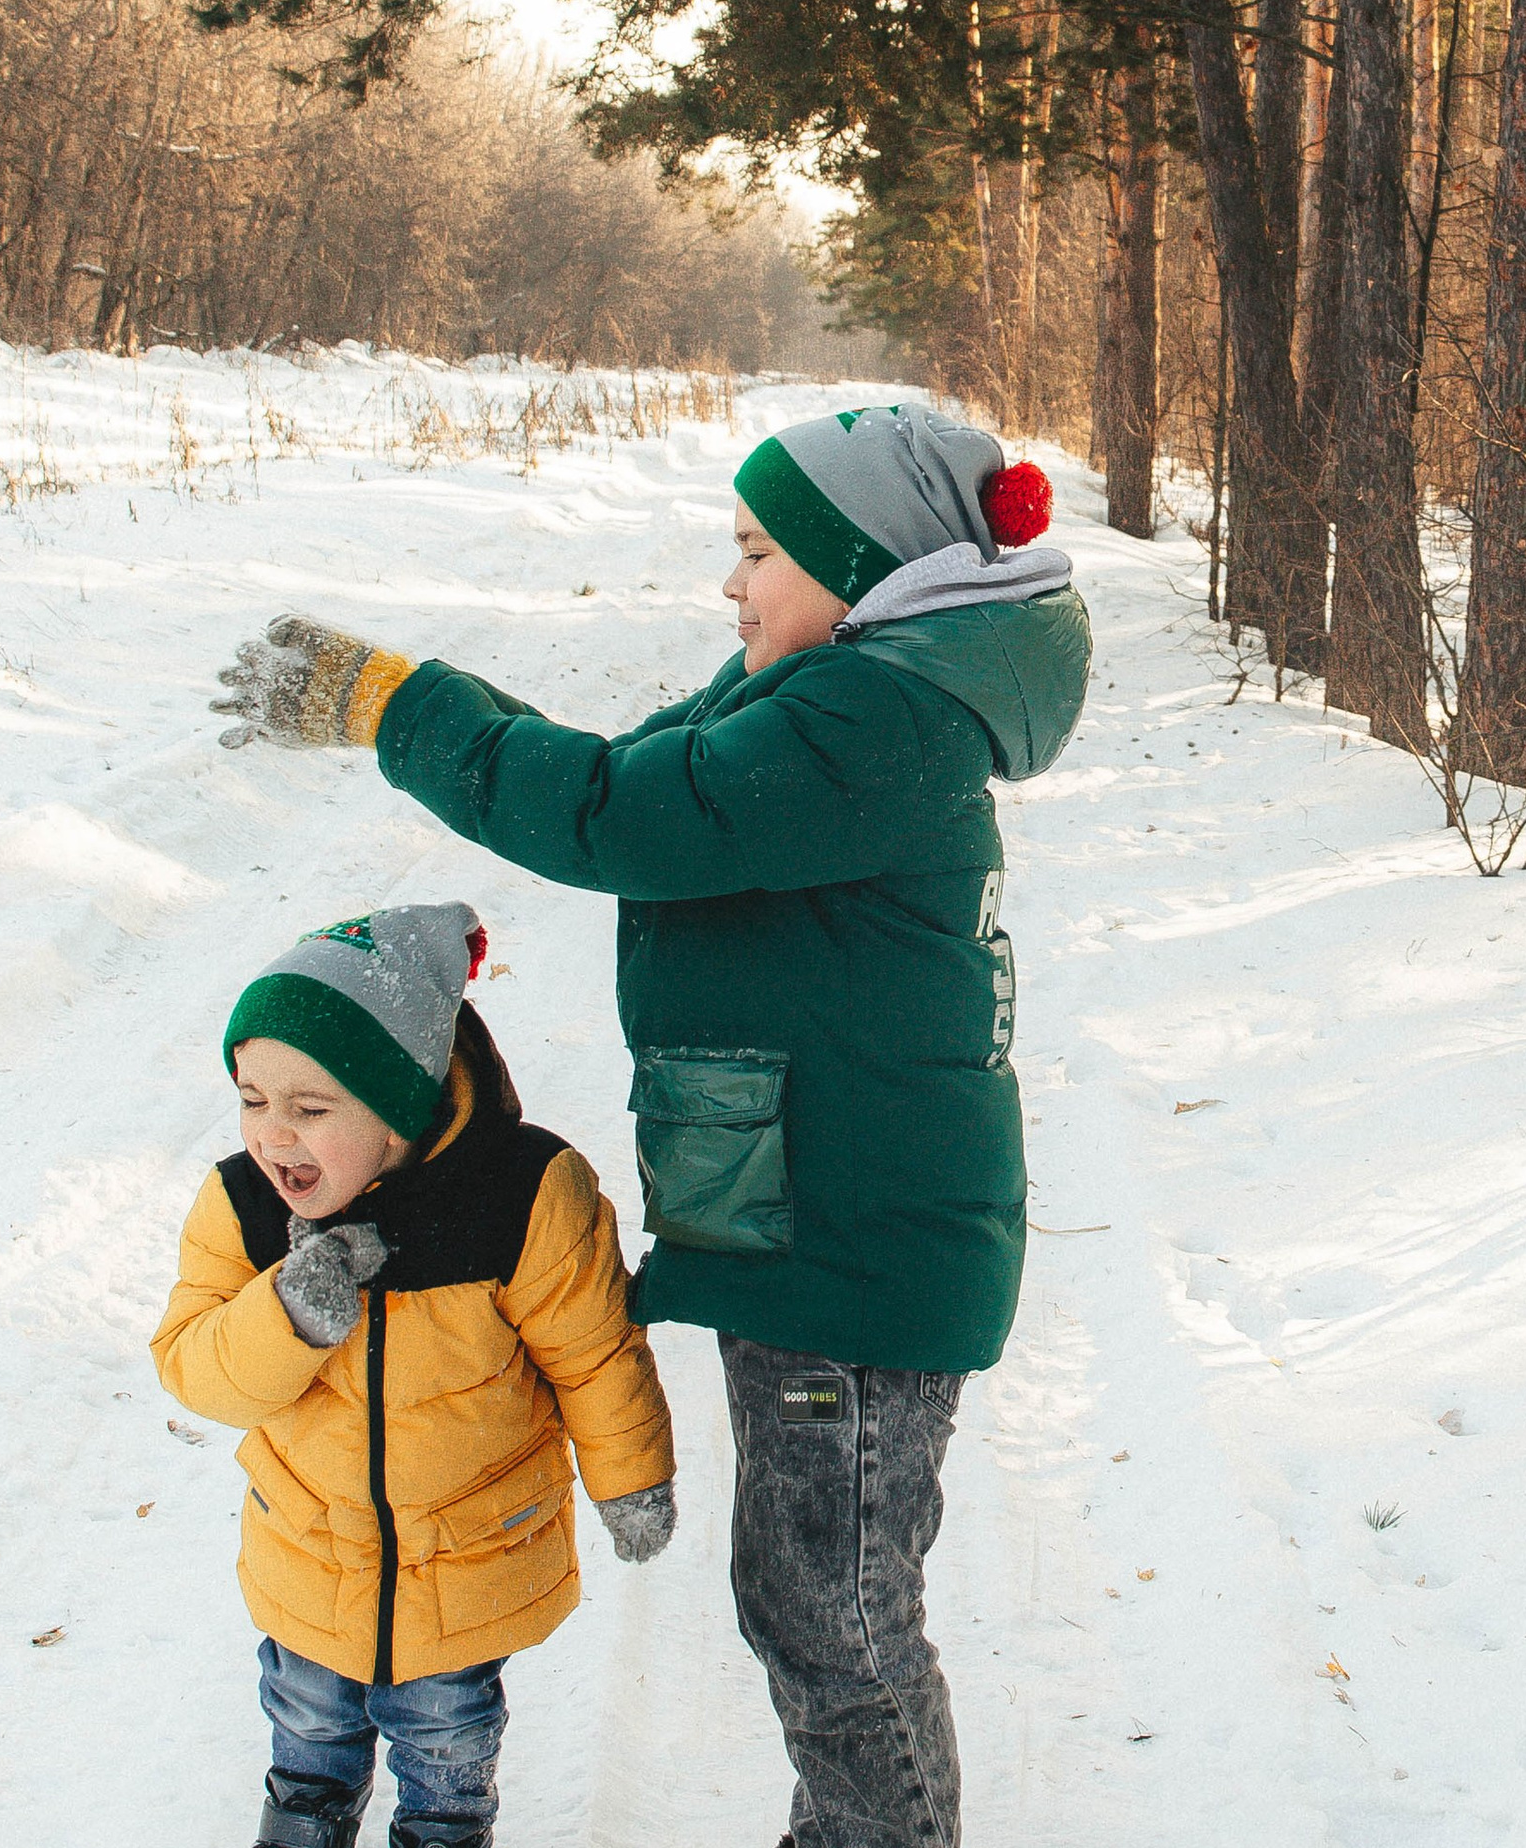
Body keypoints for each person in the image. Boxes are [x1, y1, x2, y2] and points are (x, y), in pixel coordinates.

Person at [213, 406, 1092, 1848]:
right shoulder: (851, 686)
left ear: (863, 563)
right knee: (816, 1601)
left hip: (852, 1263)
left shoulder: (868, 717)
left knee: (835, 1622)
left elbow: (619, 816)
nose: (733, 587)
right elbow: (634, 772)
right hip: (831, 1236)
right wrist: (427, 708)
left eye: (757, 552)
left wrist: (394, 703)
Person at [153, 901, 677, 1848]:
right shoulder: (240, 1205)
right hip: (311, 1558)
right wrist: (288, 1316)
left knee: (447, 1742)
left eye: (312, 1109)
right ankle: (305, 1828)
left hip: (470, 1558)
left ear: (401, 1104)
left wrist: (631, 1479)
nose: (274, 1136)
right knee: (308, 1731)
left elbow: (594, 1355)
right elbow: (198, 1372)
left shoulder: (522, 1195)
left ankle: (445, 1829)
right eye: (252, 1098)